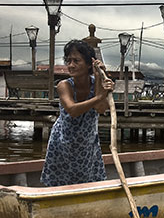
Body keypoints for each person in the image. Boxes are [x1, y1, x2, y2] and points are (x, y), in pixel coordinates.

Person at [40, 40, 114, 186]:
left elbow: (101, 109)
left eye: (76, 61)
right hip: (62, 144)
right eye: (69, 61)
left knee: (88, 184)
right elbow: (72, 110)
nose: (71, 65)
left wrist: (100, 78)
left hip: (87, 145)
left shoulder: (97, 83)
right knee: (59, 185)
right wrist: (100, 96)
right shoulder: (64, 85)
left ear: (88, 64)